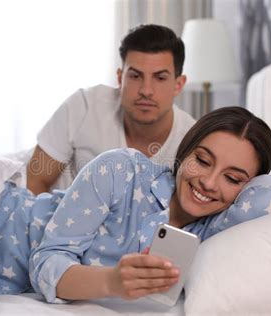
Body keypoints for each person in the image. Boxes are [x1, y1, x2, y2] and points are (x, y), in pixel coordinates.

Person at [0, 106, 271, 304]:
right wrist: (111, 282)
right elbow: (46, 261)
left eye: (233, 178)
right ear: (185, 150)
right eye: (202, 161)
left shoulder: (214, 231)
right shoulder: (121, 170)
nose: (209, 182)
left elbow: (269, 199)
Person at [26, 24, 196, 195]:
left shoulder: (193, 140)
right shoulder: (84, 106)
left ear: (178, 84)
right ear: (120, 78)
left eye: (160, 78)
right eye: (135, 76)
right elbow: (35, 181)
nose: (146, 90)